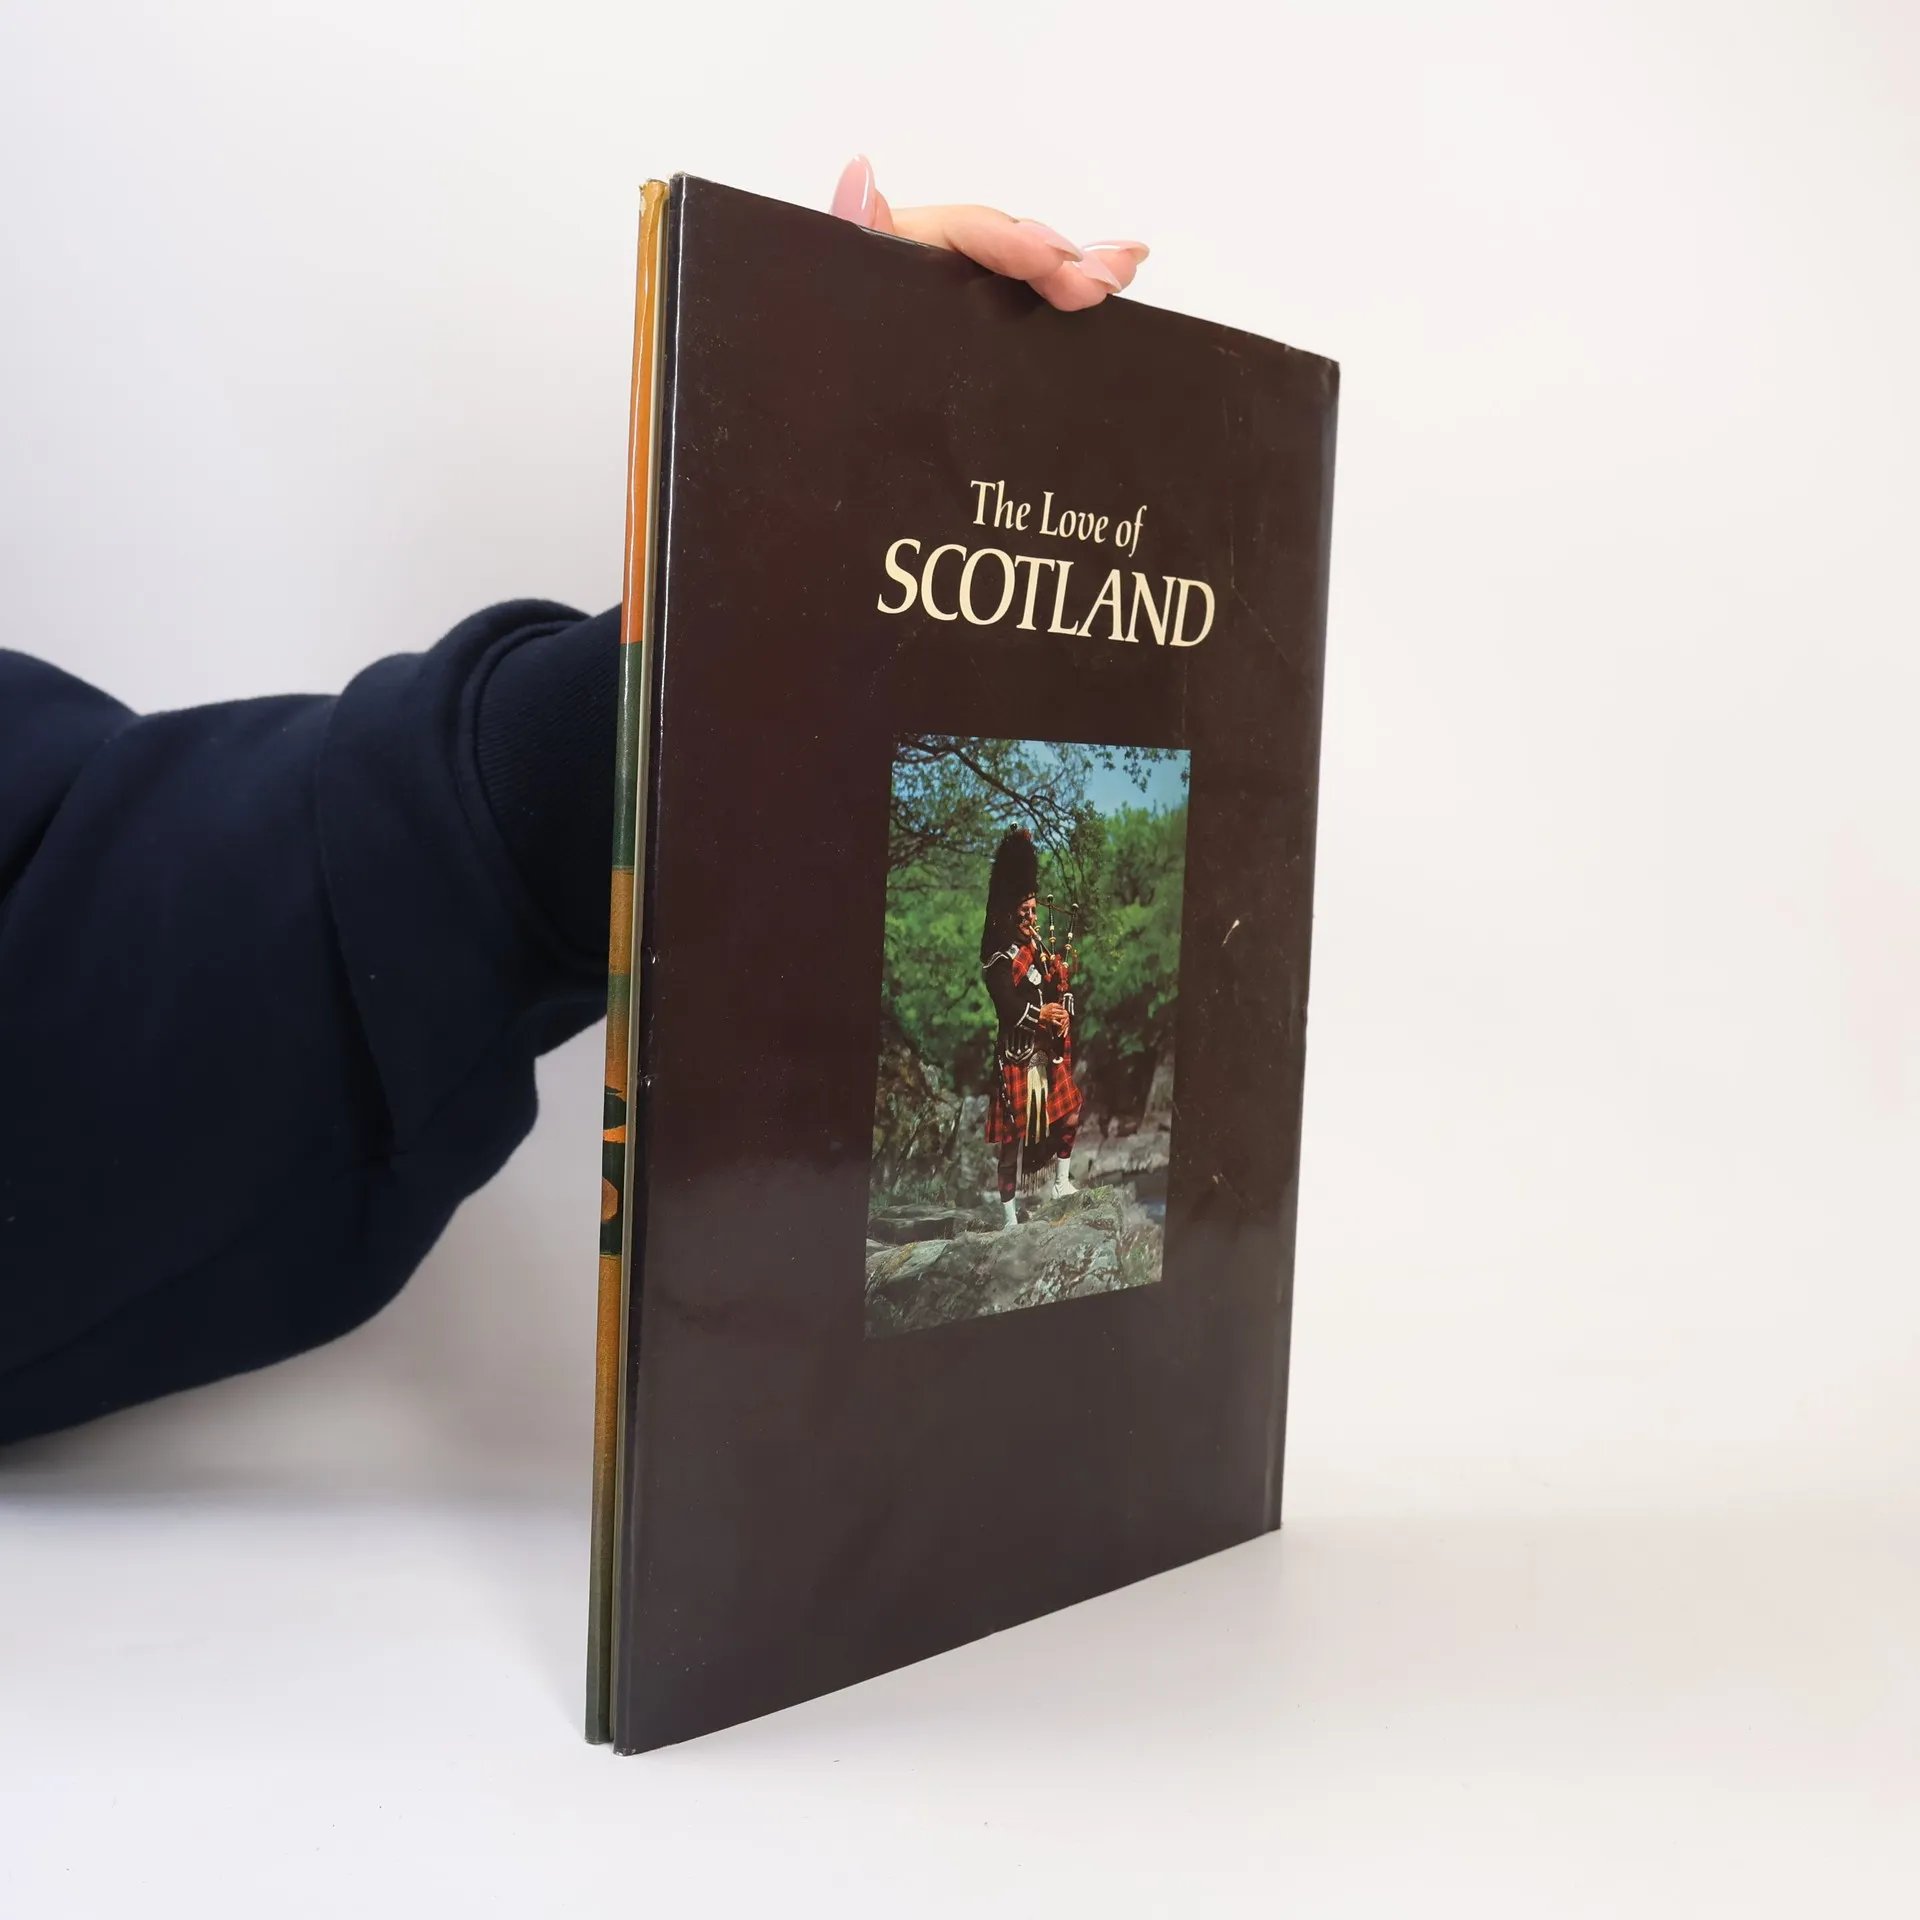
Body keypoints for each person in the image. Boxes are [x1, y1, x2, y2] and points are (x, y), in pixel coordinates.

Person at [0, 160, 1148, 1446]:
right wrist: (662, 696)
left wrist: (720, 642)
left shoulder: (1042, 940)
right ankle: (1011, 1203)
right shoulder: (1006, 939)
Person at [978, 828, 1084, 1230]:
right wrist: (1042, 1015)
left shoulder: (1037, 947)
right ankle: (1009, 1220)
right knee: (1011, 1146)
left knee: (1070, 1116)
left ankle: (1060, 1184)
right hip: (1017, 1056)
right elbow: (1006, 1006)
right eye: (1024, 913)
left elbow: (1058, 991)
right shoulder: (998, 957)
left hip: (1046, 1053)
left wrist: (1064, 1011)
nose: (1031, 919)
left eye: (1034, 911)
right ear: (1008, 912)